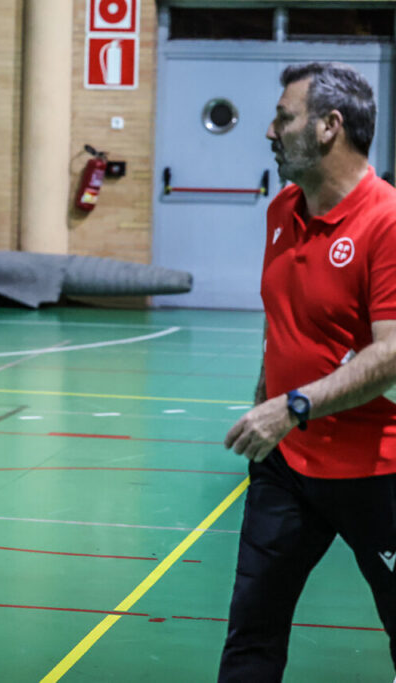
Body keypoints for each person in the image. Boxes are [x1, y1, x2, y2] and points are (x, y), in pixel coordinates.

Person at [220, 62, 396, 681]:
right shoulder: (283, 209)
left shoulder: (387, 221)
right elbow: (282, 316)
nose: (270, 130)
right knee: (251, 632)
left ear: (329, 127)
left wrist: (290, 404)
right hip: (285, 464)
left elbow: (392, 352)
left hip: (376, 470)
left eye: (284, 117)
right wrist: (266, 395)